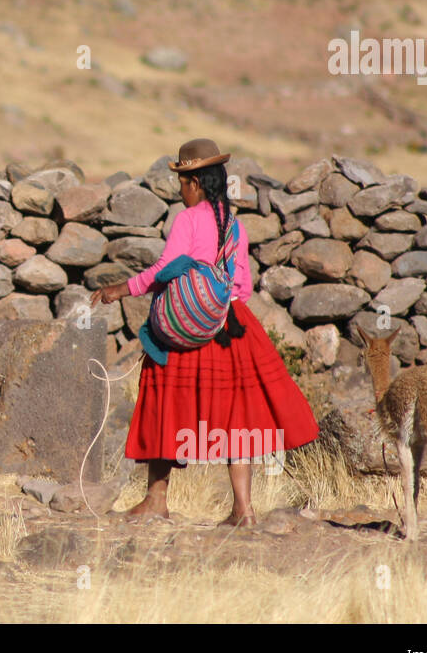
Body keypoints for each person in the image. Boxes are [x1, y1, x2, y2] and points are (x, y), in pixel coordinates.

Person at [90, 138, 320, 526]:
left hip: (187, 333)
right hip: (231, 328)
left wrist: (120, 289)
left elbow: (164, 269)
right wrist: (216, 300)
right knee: (237, 416)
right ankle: (243, 509)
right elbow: (243, 287)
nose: (180, 190)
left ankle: (156, 500)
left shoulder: (188, 220)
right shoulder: (235, 226)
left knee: (164, 402)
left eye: (182, 182)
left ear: (195, 182)